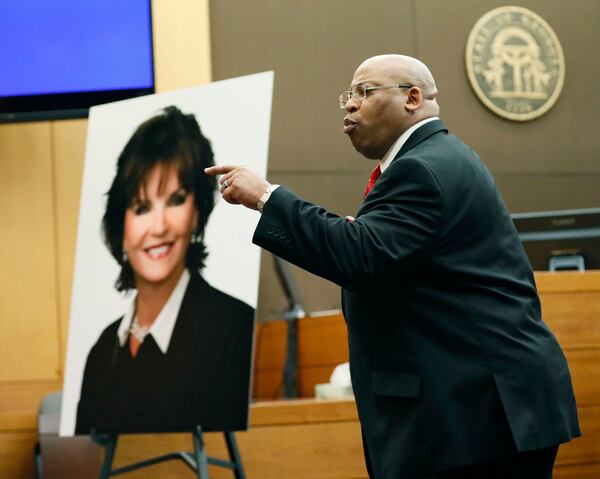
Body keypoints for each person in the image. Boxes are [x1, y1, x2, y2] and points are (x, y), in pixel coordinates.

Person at [205, 55, 580, 478]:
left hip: (475, 416)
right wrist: (361, 241)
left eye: (364, 92)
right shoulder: (434, 160)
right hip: (476, 410)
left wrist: (267, 197)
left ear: (413, 98)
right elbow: (380, 256)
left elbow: (360, 256)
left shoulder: (421, 168)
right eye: (348, 95)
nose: (350, 105)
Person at [75, 106, 255, 435]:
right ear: (121, 225)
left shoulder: (237, 328)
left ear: (197, 212)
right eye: (141, 207)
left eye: (175, 200)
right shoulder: (102, 352)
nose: (158, 227)